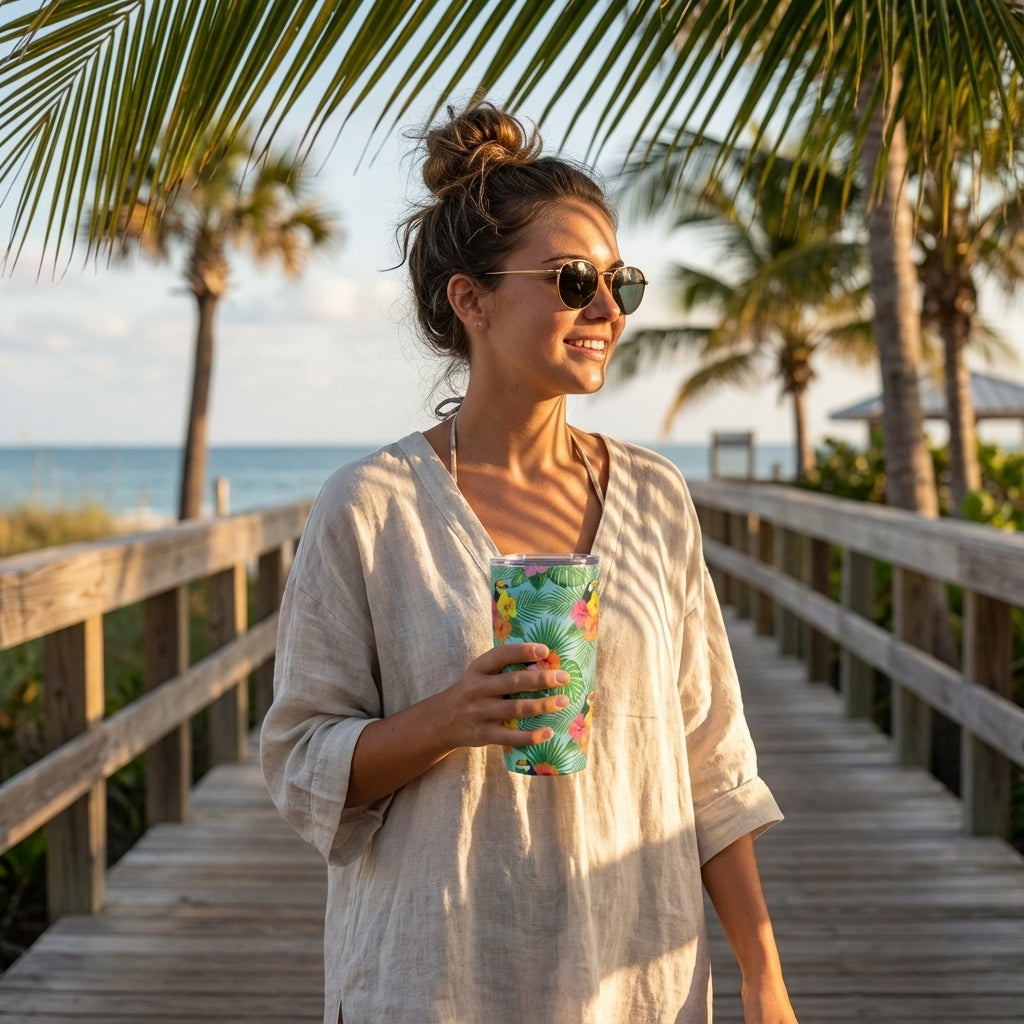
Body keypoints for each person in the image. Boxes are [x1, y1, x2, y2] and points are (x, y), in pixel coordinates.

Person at [260, 102, 798, 1024]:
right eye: (573, 279)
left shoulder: (657, 498)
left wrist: (764, 973)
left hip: (630, 978)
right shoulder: (372, 506)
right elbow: (302, 757)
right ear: (470, 300)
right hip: (434, 978)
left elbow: (713, 760)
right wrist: (448, 718)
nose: (604, 309)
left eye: (620, 283)